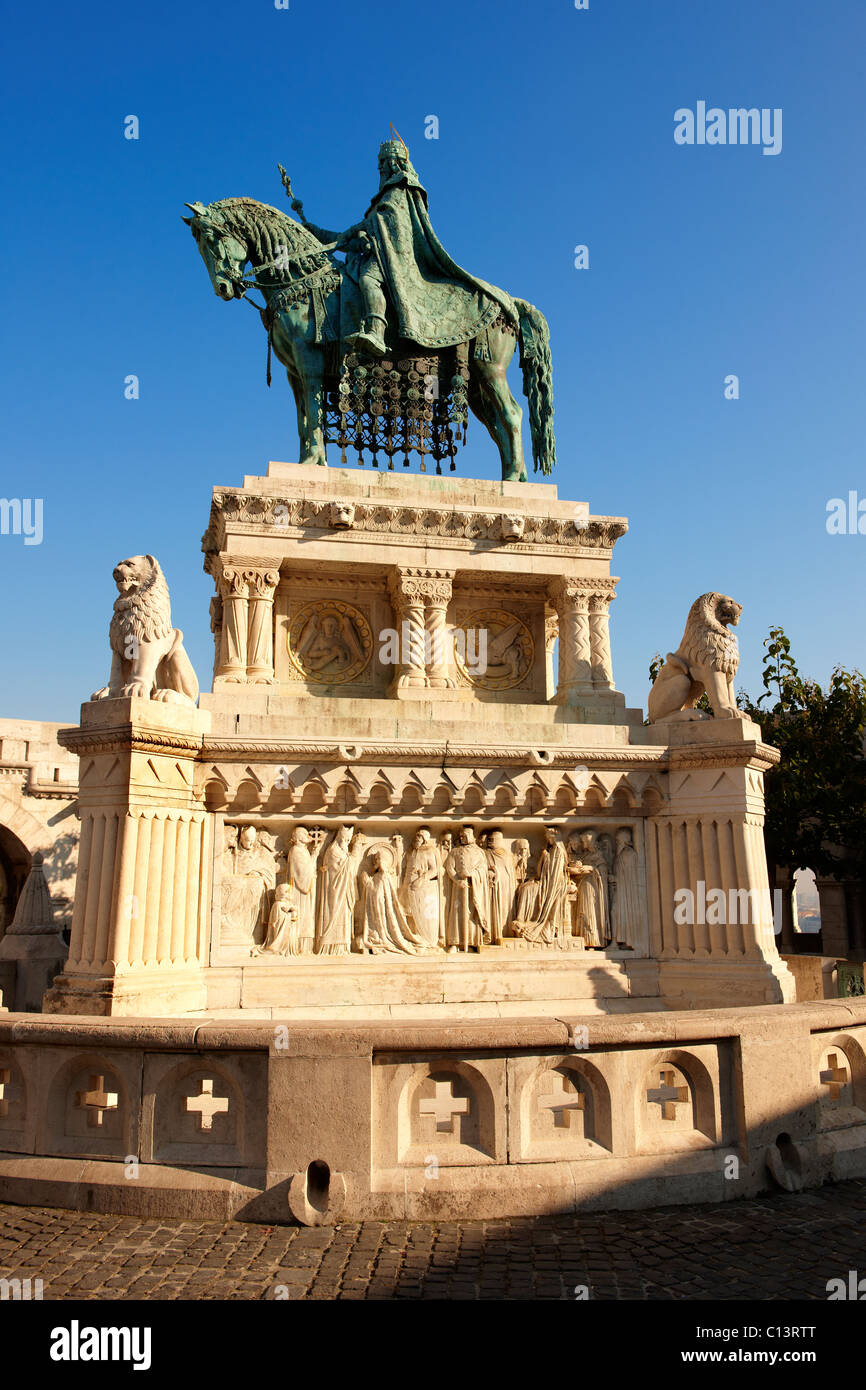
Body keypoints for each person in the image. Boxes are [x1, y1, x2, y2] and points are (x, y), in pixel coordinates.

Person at [290, 140, 512, 358]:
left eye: (383, 163)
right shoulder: (387, 194)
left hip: (394, 257)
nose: (380, 168)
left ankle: (376, 332)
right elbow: (354, 236)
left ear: (394, 162)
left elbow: (386, 220)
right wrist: (317, 231)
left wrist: (360, 231)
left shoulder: (400, 188)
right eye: (379, 164)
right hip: (379, 251)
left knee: (369, 280)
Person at [444, 825, 491, 953]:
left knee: (472, 914)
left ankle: (470, 942)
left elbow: (483, 869)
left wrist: (472, 875)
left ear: (472, 836)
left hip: (474, 888)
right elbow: (449, 868)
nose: (462, 837)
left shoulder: (480, 852)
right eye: (461, 836)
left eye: (465, 835)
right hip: (459, 888)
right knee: (457, 912)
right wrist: (457, 880)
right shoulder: (455, 852)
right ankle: (455, 942)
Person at [611, 828, 641, 950]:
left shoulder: (628, 854)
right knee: (615, 912)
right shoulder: (622, 853)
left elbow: (629, 876)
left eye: (618, 840)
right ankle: (618, 941)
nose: (617, 842)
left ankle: (618, 942)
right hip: (620, 889)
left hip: (625, 892)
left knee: (615, 912)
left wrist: (615, 879)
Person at [486, 829, 517, 944]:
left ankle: (508, 932)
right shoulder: (486, 853)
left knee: (507, 909)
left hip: (508, 887)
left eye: (492, 839)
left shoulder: (508, 854)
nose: (489, 842)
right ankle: (495, 934)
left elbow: (511, 871)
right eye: (488, 839)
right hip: (494, 887)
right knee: (495, 910)